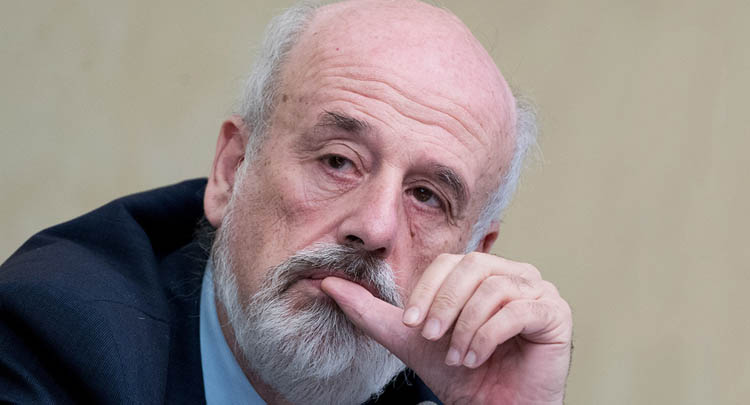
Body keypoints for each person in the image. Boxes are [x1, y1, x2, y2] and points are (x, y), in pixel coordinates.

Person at [0, 0, 573, 403]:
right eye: (338, 161)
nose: (375, 227)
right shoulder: (58, 338)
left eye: (426, 196)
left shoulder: (453, 385)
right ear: (231, 171)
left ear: (473, 255)